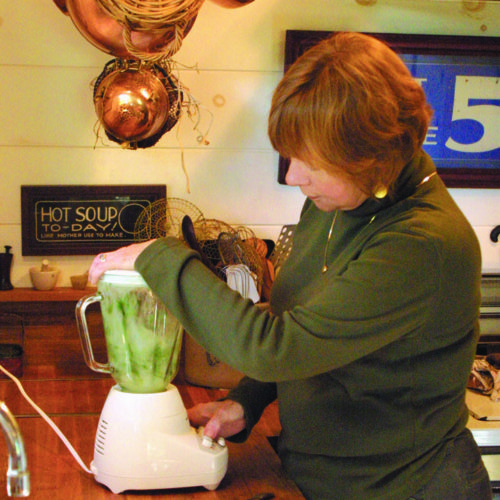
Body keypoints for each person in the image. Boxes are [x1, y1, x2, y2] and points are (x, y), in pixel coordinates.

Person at [88, 32, 491, 500]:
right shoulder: (333, 204)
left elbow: (277, 348)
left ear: (371, 159)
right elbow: (303, 330)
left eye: (313, 163)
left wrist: (161, 255)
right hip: (314, 477)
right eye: (291, 155)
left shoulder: (423, 244)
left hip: (403, 487)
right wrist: (247, 401)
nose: (295, 176)